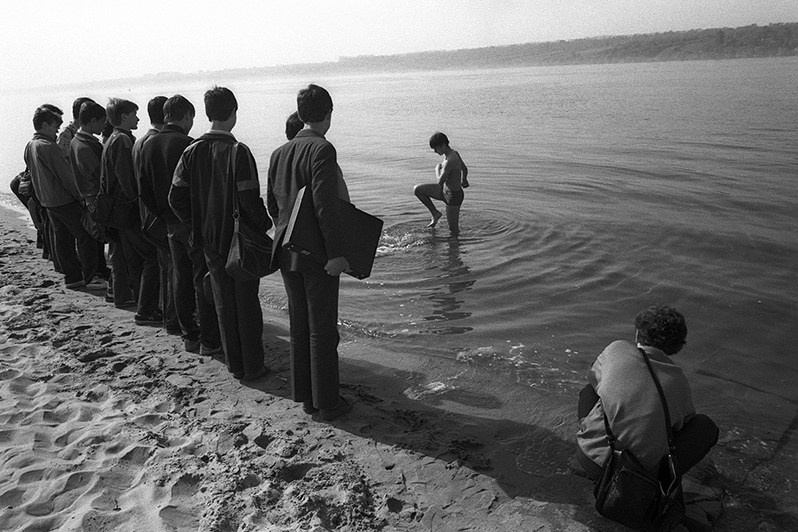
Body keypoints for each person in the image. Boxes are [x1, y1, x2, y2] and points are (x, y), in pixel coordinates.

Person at [169, 86, 270, 381]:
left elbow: (175, 197)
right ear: (233, 112)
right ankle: (253, 366)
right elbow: (250, 198)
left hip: (208, 240)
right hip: (240, 239)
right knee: (247, 305)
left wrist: (195, 223)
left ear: (207, 112)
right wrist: (264, 224)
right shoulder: (239, 152)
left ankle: (234, 364)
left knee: (224, 303)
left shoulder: (192, 150)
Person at [267, 84, 352, 421]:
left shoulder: (279, 152)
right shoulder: (322, 149)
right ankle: (328, 402)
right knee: (322, 329)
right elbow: (325, 206)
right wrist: (336, 253)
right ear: (328, 115)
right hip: (317, 254)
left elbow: (272, 203)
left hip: (287, 250)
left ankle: (304, 395)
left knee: (299, 326)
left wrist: (285, 230)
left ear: (300, 115)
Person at [576, 305, 719, 482]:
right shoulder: (678, 379)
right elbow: (681, 425)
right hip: (636, 477)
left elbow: (593, 375)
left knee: (591, 390)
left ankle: (591, 441)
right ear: (677, 346)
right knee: (704, 426)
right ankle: (665, 480)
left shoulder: (617, 349)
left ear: (637, 333)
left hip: (589, 459)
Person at [140, 94, 221, 355]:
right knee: (200, 279)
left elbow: (144, 190)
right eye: (191, 118)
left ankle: (189, 335)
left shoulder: (147, 146)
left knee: (180, 277)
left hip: (168, 223)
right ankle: (209, 339)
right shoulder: (189, 145)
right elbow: (202, 189)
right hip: (191, 222)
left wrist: (163, 215)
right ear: (186, 116)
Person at [24, 105, 105, 290]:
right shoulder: (48, 147)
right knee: (86, 236)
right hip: (63, 200)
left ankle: (72, 276)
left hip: (48, 201)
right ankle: (91, 277)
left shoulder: (31, 145)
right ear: (45, 125)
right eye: (54, 127)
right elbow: (66, 177)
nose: (56, 131)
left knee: (63, 239)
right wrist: (80, 198)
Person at [101, 98, 161, 322]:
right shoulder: (123, 141)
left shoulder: (113, 139)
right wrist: (141, 204)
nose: (137, 118)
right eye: (134, 114)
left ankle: (141, 303)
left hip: (119, 209)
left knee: (134, 258)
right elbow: (128, 180)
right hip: (126, 209)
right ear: (124, 117)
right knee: (150, 257)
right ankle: (146, 308)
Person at [133, 95, 175, 332]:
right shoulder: (156, 143)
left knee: (160, 265)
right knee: (167, 267)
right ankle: (164, 312)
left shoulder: (141, 142)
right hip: (157, 216)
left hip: (146, 214)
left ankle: (152, 308)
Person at [69, 101, 111, 284]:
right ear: (93, 121)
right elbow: (100, 175)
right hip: (95, 198)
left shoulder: (76, 141)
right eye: (102, 121)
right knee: (97, 239)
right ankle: (95, 276)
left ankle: (98, 273)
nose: (104, 126)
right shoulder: (85, 146)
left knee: (96, 240)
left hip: (87, 197)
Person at [413, 132, 469, 235]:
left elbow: (439, 182)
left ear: (443, 145)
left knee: (453, 230)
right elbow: (464, 169)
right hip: (444, 191)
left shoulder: (450, 161)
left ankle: (455, 248)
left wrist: (437, 169)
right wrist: (464, 180)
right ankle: (435, 213)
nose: (434, 151)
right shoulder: (454, 153)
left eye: (436, 148)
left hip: (453, 196)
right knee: (418, 190)